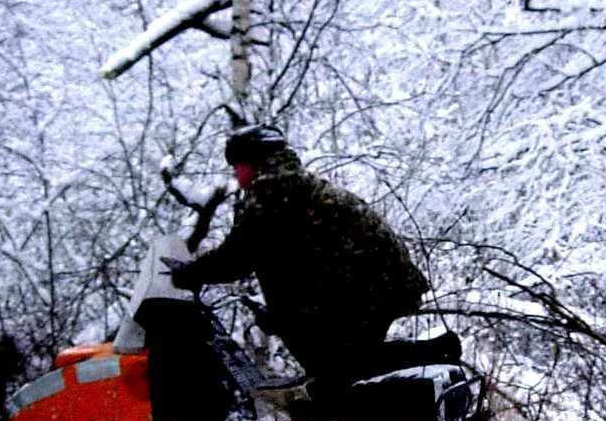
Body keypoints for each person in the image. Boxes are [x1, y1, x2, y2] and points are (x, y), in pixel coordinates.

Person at [170, 125, 435, 383]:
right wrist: (282, 316)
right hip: (378, 281)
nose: (235, 174)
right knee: (343, 363)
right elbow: (294, 262)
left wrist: (189, 273)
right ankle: (431, 355)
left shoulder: (271, 191)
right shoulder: (293, 184)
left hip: (368, 286)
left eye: (237, 165)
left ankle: (433, 354)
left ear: (253, 162)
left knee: (336, 369)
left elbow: (237, 257)